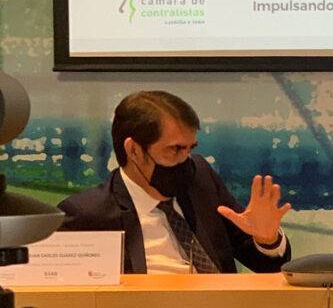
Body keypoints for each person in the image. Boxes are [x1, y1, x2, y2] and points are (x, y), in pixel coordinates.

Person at [58, 91, 293, 274]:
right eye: (175, 149)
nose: (185, 160)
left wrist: (267, 239)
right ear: (134, 150)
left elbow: (267, 266)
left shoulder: (200, 178)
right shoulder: (88, 214)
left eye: (190, 148)